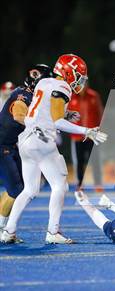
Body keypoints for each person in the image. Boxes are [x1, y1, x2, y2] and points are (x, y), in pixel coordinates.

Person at [1, 54, 108, 244]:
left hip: (25, 139)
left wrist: (66, 113)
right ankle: (53, 232)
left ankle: (8, 231)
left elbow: (42, 108)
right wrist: (86, 131)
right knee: (60, 185)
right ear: (68, 72)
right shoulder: (62, 86)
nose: (79, 80)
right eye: (78, 75)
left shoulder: (44, 83)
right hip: (41, 140)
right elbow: (57, 121)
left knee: (30, 190)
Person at [0, 65, 52, 232]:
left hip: (11, 145)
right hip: (3, 145)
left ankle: (2, 225)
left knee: (17, 188)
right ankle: (1, 227)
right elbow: (18, 114)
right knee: (16, 189)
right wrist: (34, 126)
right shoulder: (23, 95)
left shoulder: (33, 94)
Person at [67, 84, 104, 189]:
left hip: (92, 134)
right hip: (77, 136)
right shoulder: (72, 97)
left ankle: (98, 183)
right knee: (79, 161)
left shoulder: (93, 95)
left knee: (95, 159)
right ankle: (80, 183)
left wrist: (100, 128)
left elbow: (100, 112)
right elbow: (67, 116)